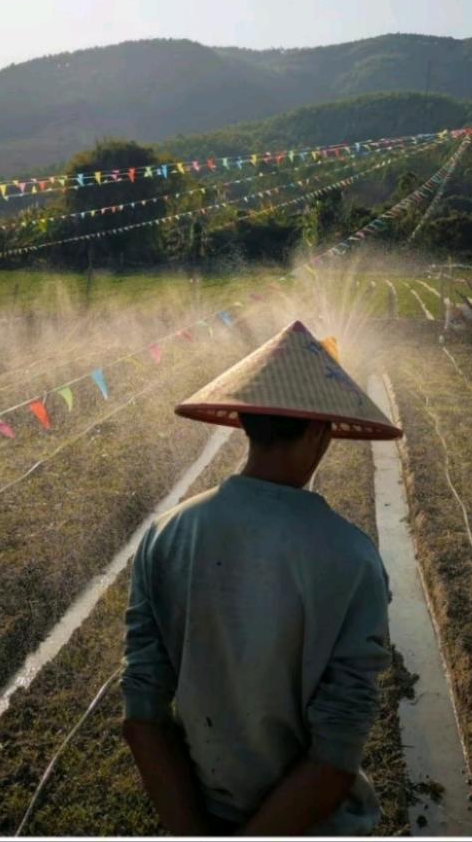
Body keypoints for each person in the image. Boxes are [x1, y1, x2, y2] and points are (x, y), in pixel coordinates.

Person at [120, 319, 402, 836]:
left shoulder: (165, 536)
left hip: (202, 818)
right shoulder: (351, 557)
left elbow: (142, 715)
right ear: (321, 430)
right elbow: (335, 754)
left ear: (246, 421)